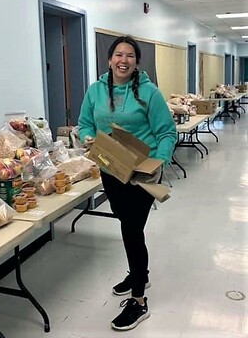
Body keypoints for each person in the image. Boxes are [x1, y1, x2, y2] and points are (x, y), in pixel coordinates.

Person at [78, 35, 177, 331]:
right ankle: (139, 274)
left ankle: (139, 300)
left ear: (136, 62)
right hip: (110, 169)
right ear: (109, 59)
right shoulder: (96, 90)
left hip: (140, 174)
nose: (124, 60)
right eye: (118, 54)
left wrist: (157, 164)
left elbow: (167, 133)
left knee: (132, 230)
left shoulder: (149, 93)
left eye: (130, 56)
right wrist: (86, 136)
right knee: (125, 222)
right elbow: (85, 122)